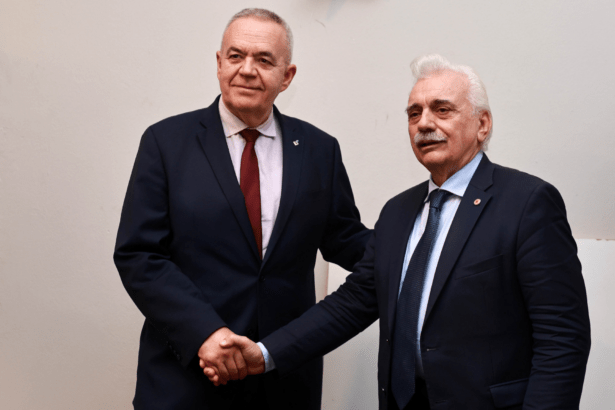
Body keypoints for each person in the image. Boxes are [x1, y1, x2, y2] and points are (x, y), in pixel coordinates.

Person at [207, 54, 592, 410]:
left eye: (442, 109)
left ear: (482, 124)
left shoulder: (527, 203)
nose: (424, 123)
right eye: (414, 113)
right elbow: (352, 304)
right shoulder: (397, 213)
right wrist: (264, 354)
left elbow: (563, 338)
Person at [113, 8, 370, 410]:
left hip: (283, 382)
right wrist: (205, 332)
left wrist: (416, 246)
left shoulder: (320, 150)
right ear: (219, 63)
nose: (247, 70)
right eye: (236, 56)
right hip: (186, 380)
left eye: (264, 60)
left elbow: (347, 239)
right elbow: (139, 255)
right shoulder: (166, 142)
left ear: (287, 76)